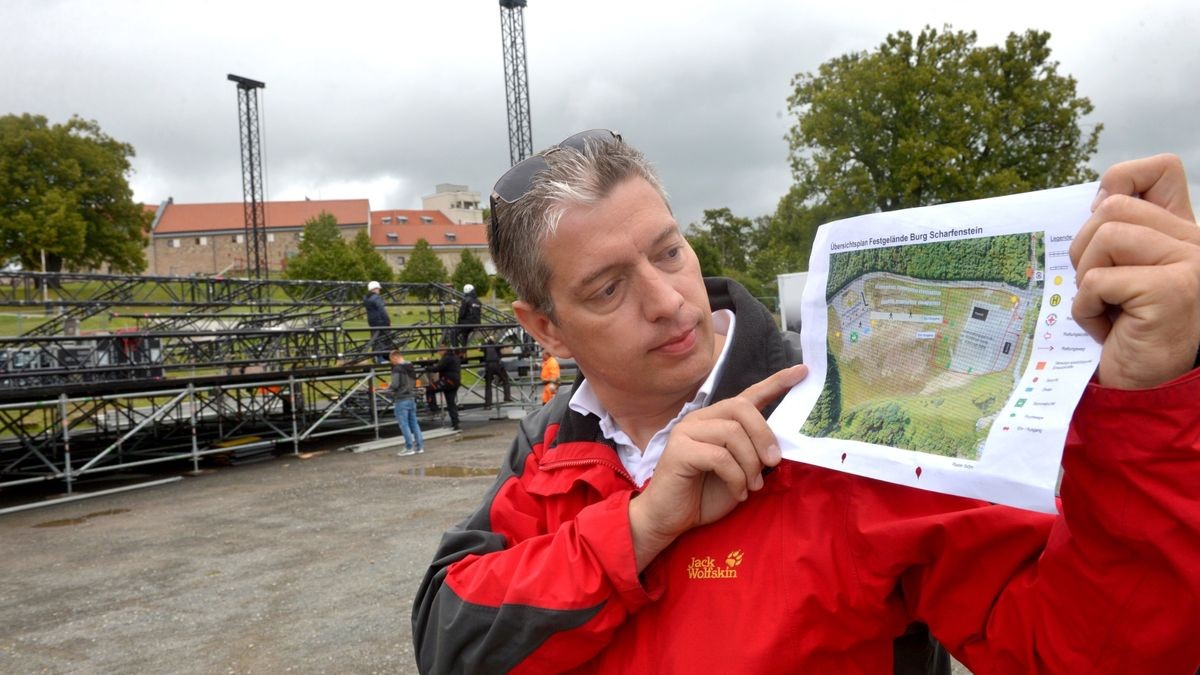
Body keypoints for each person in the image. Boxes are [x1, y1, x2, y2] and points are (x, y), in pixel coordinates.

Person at [411, 131, 1200, 672]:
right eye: (609, 287)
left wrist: (1153, 396)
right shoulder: (559, 437)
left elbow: (1094, 649)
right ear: (544, 327)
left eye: (668, 251)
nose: (668, 301)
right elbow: (451, 637)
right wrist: (641, 528)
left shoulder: (849, 423)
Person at [388, 350, 424, 456]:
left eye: (391, 360)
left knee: (404, 425)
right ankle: (419, 447)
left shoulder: (397, 368)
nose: (392, 363)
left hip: (401, 399)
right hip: (411, 398)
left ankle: (409, 448)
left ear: (395, 357)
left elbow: (395, 385)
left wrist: (389, 386)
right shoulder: (410, 366)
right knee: (414, 423)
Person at [424, 342, 461, 431]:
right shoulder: (455, 356)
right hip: (455, 382)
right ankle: (455, 423)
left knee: (429, 389)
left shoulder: (446, 357)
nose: (438, 353)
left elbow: (437, 369)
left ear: (443, 350)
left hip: (447, 381)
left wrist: (427, 368)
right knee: (451, 403)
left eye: (439, 351)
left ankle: (433, 408)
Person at [481, 337, 512, 408]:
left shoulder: (485, 346)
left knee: (488, 385)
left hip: (488, 366)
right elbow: (503, 346)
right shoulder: (496, 345)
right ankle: (507, 397)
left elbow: (481, 349)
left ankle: (488, 403)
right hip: (497, 365)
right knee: (505, 380)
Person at [364, 280, 390, 363]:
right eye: (378, 289)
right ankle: (381, 358)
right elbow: (381, 310)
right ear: (374, 289)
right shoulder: (376, 298)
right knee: (383, 339)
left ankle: (376, 357)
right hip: (381, 321)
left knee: (375, 339)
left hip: (372, 322)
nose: (379, 290)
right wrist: (387, 320)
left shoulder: (366, 298)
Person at [454, 283, 483, 347]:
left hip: (467, 323)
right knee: (464, 334)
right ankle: (463, 350)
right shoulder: (478, 301)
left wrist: (458, 323)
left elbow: (461, 314)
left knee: (453, 332)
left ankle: (456, 350)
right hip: (477, 323)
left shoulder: (466, 300)